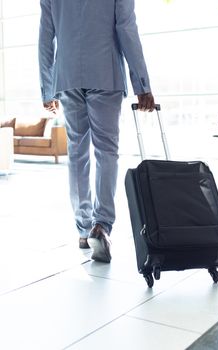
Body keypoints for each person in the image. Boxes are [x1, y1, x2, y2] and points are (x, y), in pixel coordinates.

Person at [38, 0, 155, 263]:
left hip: (67, 76)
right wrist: (142, 84)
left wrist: (47, 88)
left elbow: (46, 37)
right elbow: (126, 29)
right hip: (105, 73)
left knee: (77, 153)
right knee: (106, 151)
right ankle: (101, 225)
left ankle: (83, 229)